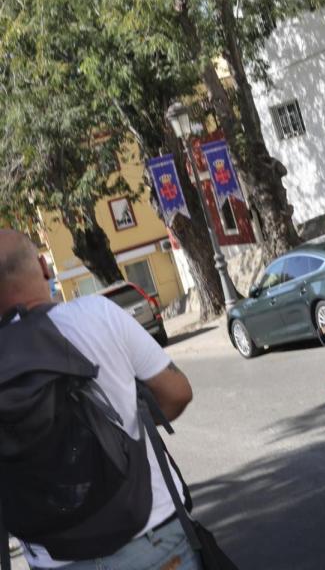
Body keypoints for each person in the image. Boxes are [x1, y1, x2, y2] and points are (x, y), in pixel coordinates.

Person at [0, 229, 198, 570]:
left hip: (55, 559)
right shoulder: (97, 314)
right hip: (150, 533)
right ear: (45, 267)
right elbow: (177, 392)